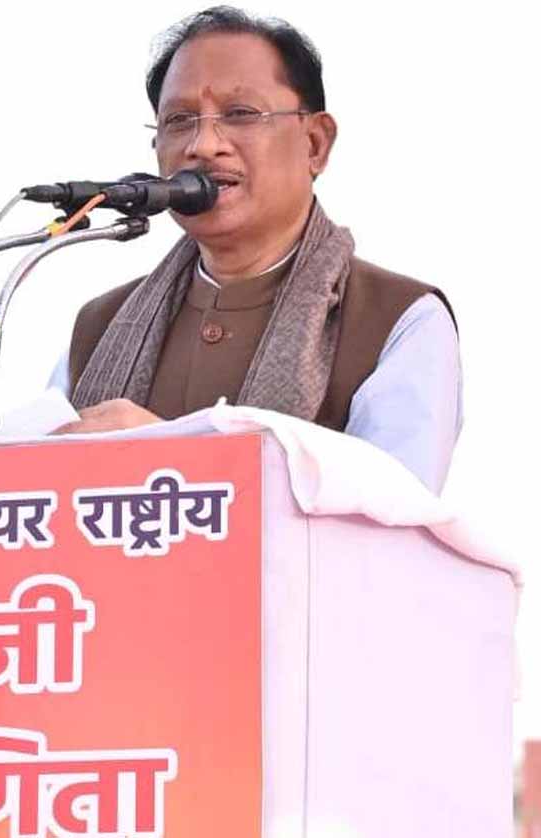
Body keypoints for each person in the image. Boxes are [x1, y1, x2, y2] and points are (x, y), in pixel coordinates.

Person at [49, 6, 461, 494]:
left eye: (240, 114)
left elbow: (397, 511)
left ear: (315, 144)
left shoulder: (399, 318)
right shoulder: (100, 326)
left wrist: (168, 454)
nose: (204, 145)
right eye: (180, 120)